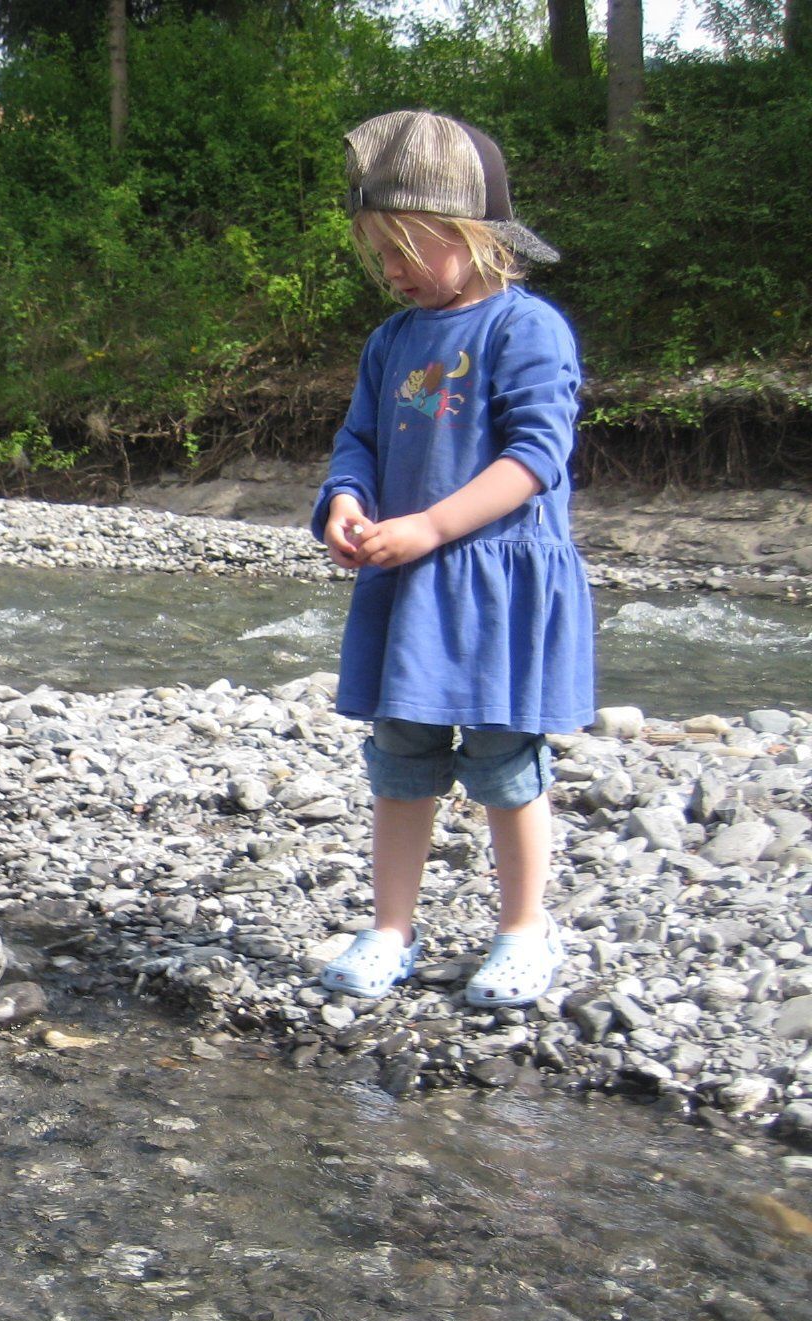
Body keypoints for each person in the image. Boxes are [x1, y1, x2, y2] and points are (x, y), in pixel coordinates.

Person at [310, 110, 594, 1008]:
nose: (390, 270)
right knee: (400, 755)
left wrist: (432, 526)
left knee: (506, 760)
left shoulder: (526, 329)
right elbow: (358, 441)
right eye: (378, 253)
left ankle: (524, 931)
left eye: (404, 249)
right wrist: (346, 503)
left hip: (499, 585)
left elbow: (536, 458)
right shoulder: (391, 341)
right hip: (410, 586)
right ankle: (391, 928)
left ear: (473, 234)